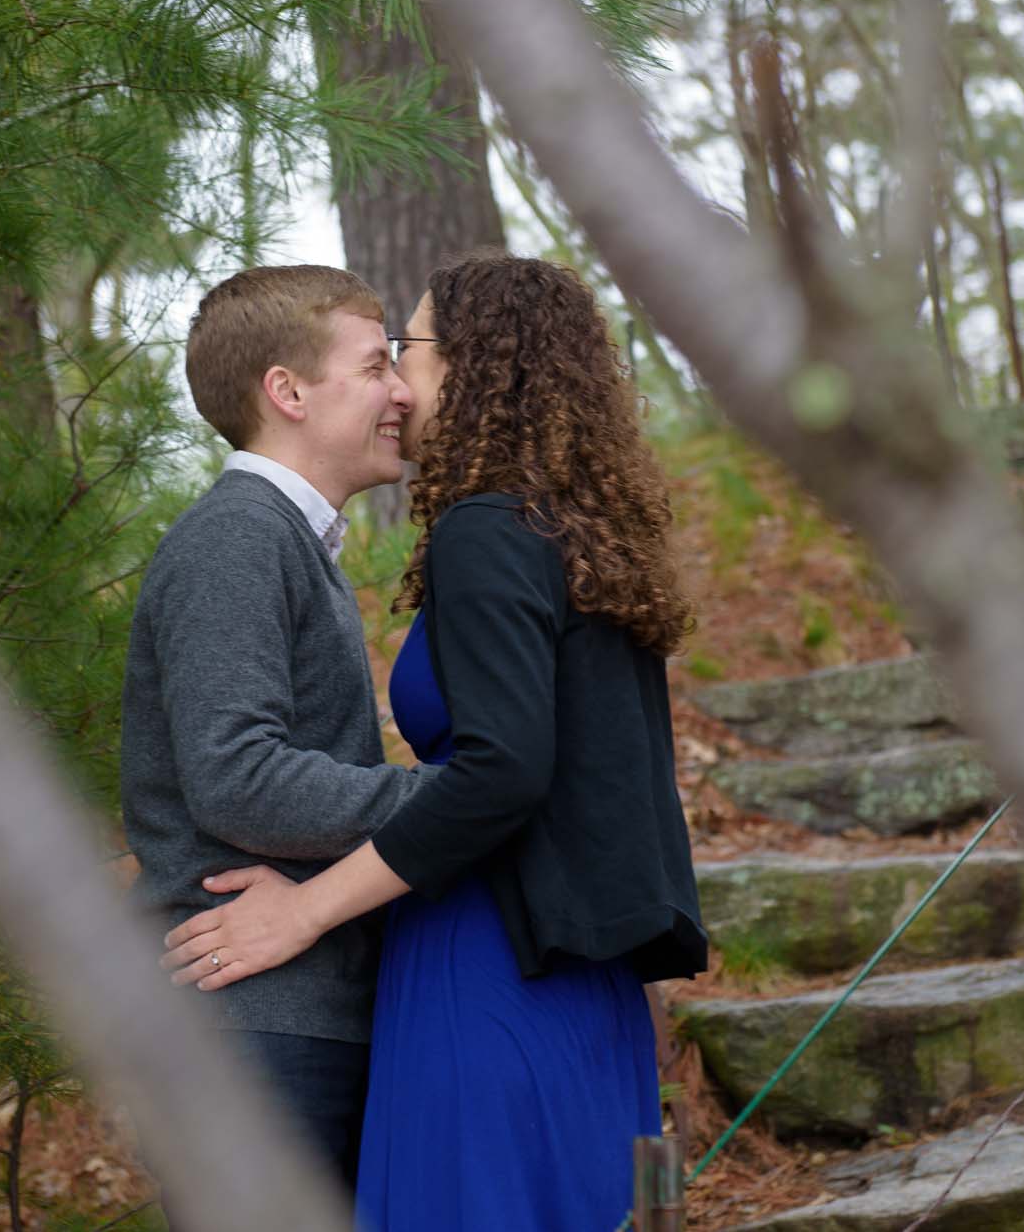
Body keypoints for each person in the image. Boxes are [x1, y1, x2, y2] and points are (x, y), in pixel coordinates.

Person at [162, 252, 709, 1230]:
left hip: (490, 957)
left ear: (476, 366)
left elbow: (504, 775)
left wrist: (311, 907)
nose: (396, 388)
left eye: (402, 353)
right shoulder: (577, 539)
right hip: (574, 974)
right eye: (376, 362)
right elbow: (536, 780)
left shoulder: (488, 532)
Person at [120, 265, 438, 1195]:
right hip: (251, 1028)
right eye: (375, 366)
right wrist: (452, 801)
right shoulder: (238, 537)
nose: (402, 392)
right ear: (288, 392)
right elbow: (237, 776)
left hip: (285, 1010)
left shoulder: (281, 538)